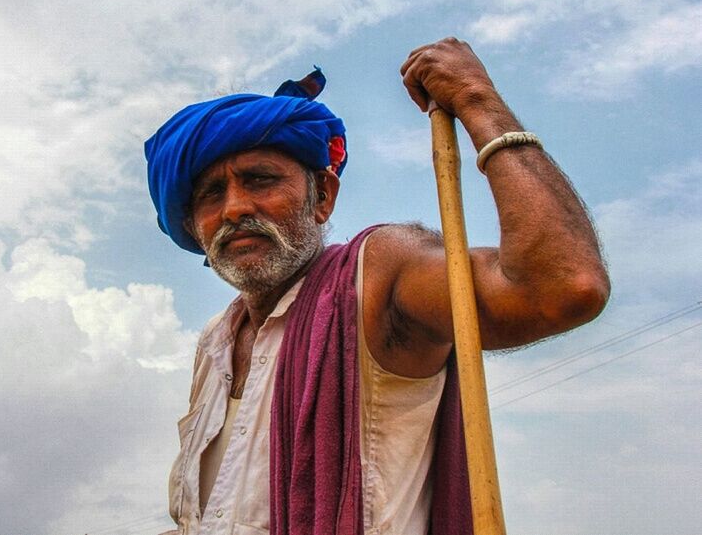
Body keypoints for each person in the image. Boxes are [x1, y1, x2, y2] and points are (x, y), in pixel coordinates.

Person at [145, 37, 610, 535]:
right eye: (212, 194)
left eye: (260, 180)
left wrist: (477, 101)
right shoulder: (216, 343)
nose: (235, 208)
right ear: (194, 226)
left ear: (322, 196)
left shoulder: (378, 278)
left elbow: (563, 285)